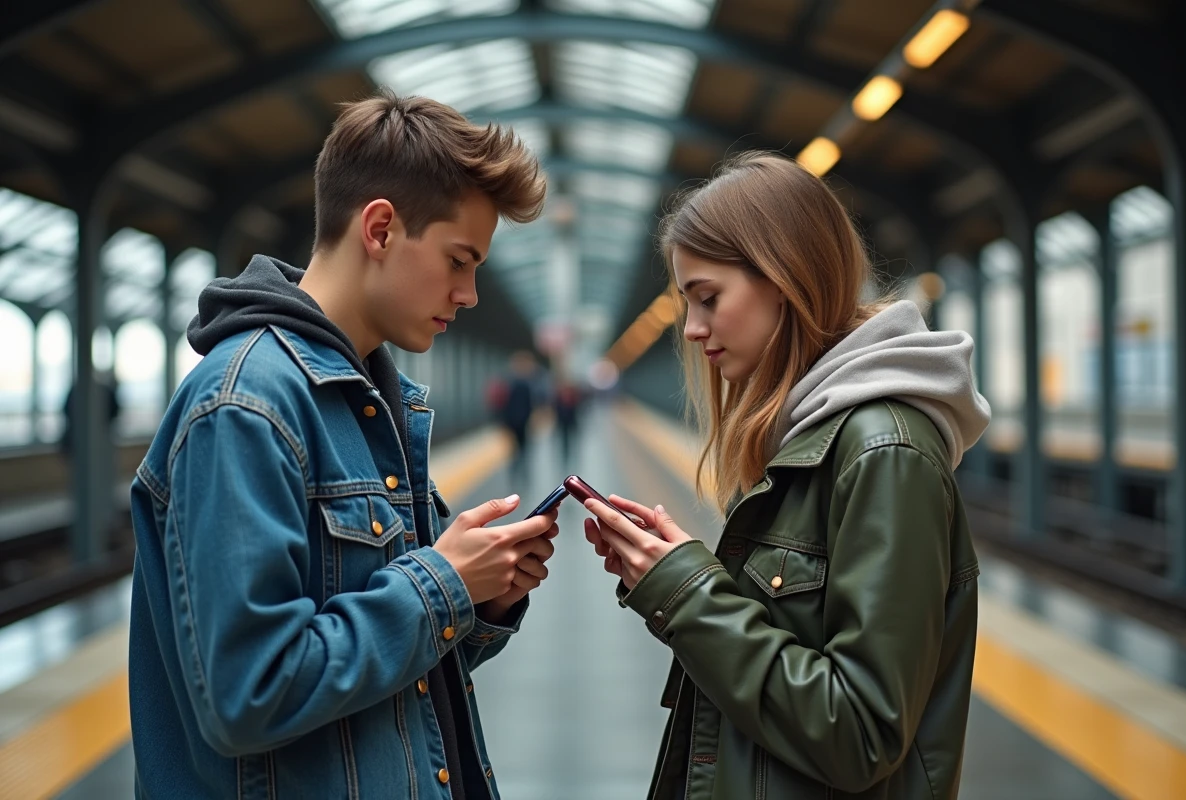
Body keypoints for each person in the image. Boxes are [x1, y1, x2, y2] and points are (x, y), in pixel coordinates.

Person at [127, 92, 557, 800]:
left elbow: (392, 679)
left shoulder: (375, 403)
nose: (470, 292)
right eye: (458, 260)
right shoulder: (246, 406)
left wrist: (481, 598)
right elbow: (251, 692)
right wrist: (442, 583)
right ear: (381, 228)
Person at [581, 152, 991, 800]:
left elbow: (860, 733)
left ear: (784, 278)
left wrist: (690, 595)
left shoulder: (883, 452)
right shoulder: (808, 437)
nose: (691, 329)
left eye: (708, 298)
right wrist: (677, 572)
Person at [499, 350, 538, 485]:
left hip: (511, 421)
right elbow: (530, 405)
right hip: (523, 422)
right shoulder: (527, 384)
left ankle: (514, 474)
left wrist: (504, 422)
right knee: (523, 449)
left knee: (514, 449)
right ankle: (524, 475)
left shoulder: (508, 382)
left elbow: (503, 405)